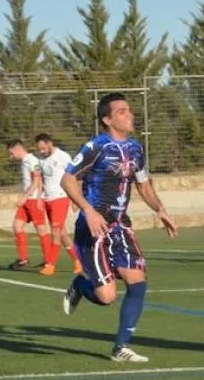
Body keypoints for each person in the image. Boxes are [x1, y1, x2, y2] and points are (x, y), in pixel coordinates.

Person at [61, 93, 177, 363]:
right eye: (122, 111)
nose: (130, 115)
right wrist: (87, 211)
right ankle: (80, 284)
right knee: (106, 297)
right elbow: (68, 179)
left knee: (137, 282)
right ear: (107, 119)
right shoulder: (95, 147)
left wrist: (161, 210)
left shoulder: (136, 148)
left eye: (130, 110)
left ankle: (120, 348)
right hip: (94, 226)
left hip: (120, 225)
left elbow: (144, 185)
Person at [34, 133, 82, 277]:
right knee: (61, 233)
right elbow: (41, 179)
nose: (42, 151)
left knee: (55, 231)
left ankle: (50, 264)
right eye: (39, 149)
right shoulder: (41, 159)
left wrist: (75, 199)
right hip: (48, 199)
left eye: (43, 148)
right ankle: (78, 261)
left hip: (60, 198)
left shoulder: (63, 156)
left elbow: (73, 176)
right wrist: (39, 198)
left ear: (49, 143)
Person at [6, 139, 52, 270]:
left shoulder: (32, 161)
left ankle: (49, 261)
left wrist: (32, 198)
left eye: (11, 153)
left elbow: (37, 181)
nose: (11, 156)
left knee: (41, 230)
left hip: (33, 200)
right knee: (17, 226)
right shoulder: (25, 162)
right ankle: (23, 259)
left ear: (17, 149)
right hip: (27, 200)